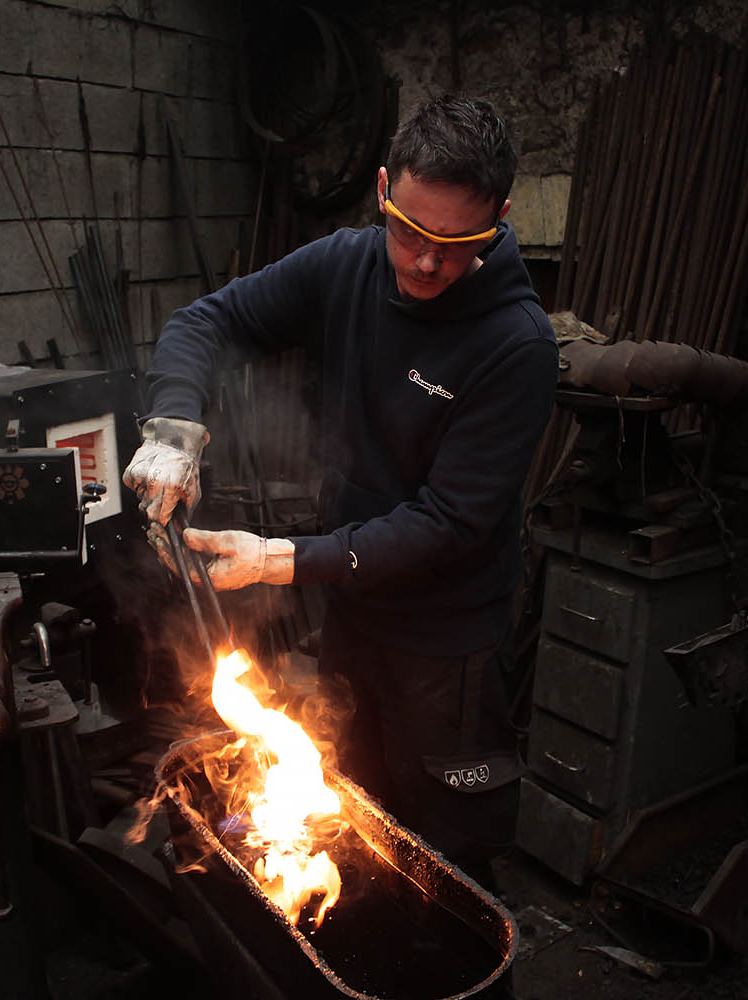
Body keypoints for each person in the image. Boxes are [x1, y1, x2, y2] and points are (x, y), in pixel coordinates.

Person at [122, 95, 556, 885]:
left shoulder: (516, 344)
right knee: (350, 817)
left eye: (456, 244)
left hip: (448, 644)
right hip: (355, 617)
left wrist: (281, 558)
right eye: (410, 232)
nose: (426, 263)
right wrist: (174, 430)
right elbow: (205, 323)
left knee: (445, 862)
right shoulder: (346, 264)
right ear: (384, 189)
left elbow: (448, 524)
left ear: (498, 220)